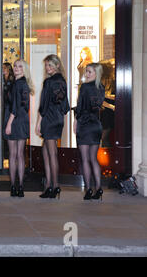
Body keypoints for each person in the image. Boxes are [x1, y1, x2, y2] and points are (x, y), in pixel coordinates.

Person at [36, 54, 70, 199]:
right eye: (46, 65)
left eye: (50, 65)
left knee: (51, 153)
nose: (47, 68)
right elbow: (65, 106)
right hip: (58, 119)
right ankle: (49, 185)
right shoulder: (63, 81)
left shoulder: (49, 82)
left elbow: (43, 105)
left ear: (57, 65)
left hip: (49, 118)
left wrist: (38, 123)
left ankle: (54, 186)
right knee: (48, 152)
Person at [74, 63, 105, 201]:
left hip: (85, 125)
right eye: (86, 72)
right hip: (96, 125)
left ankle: (88, 189)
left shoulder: (85, 87)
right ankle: (99, 188)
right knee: (94, 158)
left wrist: (76, 120)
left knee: (85, 159)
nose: (86, 74)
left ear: (96, 73)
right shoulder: (101, 88)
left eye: (89, 72)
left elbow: (80, 107)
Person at [4, 60, 34, 198]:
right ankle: (20, 186)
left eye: (20, 66)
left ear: (24, 69)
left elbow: (14, 107)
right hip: (22, 120)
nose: (16, 68)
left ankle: (13, 186)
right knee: (20, 155)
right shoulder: (24, 84)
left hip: (14, 120)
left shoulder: (17, 84)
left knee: (13, 155)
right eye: (15, 66)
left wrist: (9, 123)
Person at [2, 62, 15, 161]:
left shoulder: (12, 80)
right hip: (3, 107)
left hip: (9, 107)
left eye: (4, 68)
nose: (3, 70)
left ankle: (7, 153)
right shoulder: (2, 80)